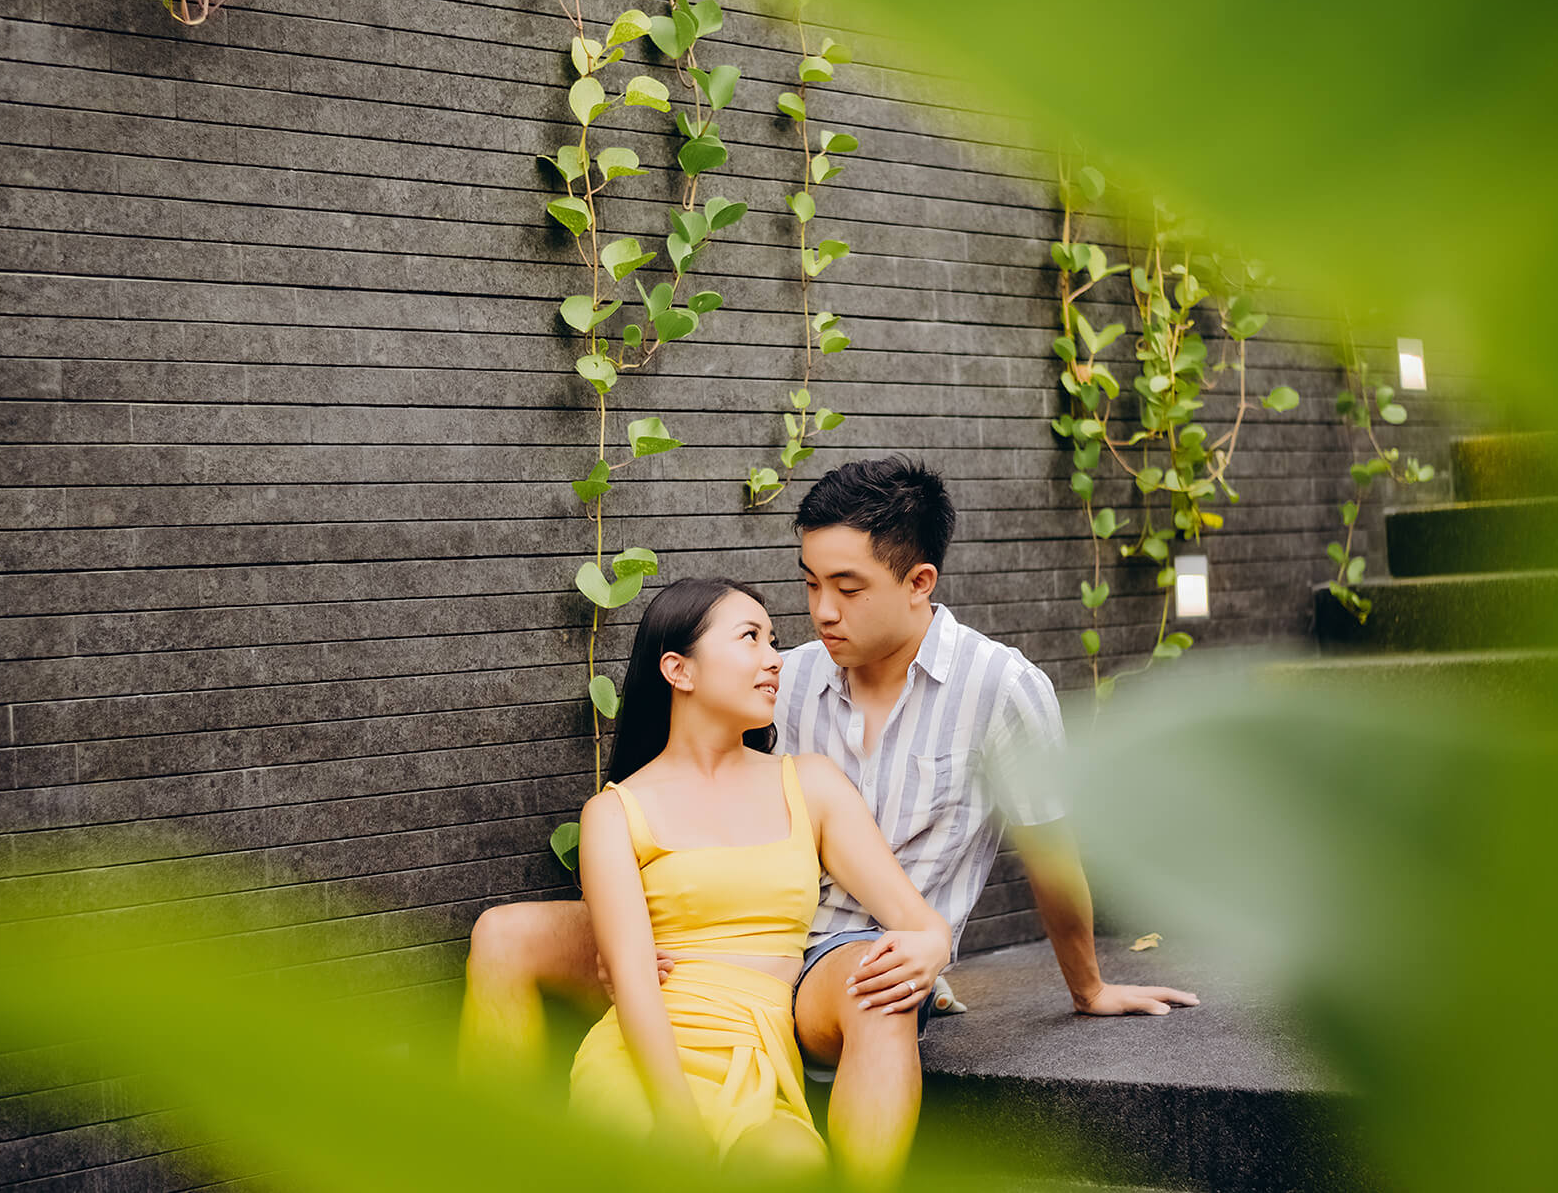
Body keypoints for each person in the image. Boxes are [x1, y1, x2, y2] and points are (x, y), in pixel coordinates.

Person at [462, 458, 1196, 1181]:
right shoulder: (787, 674)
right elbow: (681, 798)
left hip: (840, 953)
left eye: (847, 588)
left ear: (918, 584)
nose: (821, 612)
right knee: (505, 934)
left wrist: (1087, 987)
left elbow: (1049, 851)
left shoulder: (999, 688)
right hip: (706, 934)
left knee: (877, 984)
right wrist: (622, 942)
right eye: (810, 584)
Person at [564, 575, 951, 1173]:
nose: (775, 660)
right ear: (679, 670)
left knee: (794, 1167)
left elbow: (918, 921)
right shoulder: (614, 812)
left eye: (774, 641)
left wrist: (932, 948)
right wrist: (675, 1116)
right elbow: (633, 980)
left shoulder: (811, 783)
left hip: (761, 1052)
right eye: (751, 639)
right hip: (649, 1059)